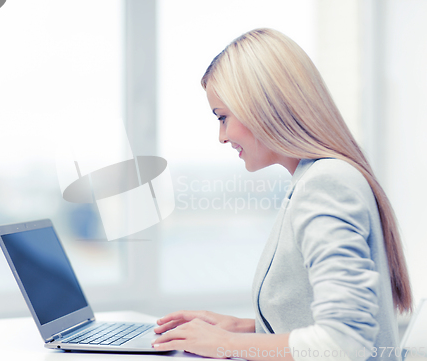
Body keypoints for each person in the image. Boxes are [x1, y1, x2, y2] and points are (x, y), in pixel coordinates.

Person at [151, 28, 412, 361]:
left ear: (262, 107)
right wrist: (241, 327)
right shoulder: (313, 179)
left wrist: (225, 345)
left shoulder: (326, 184)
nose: (222, 136)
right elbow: (317, 324)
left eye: (223, 118)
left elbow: (346, 343)